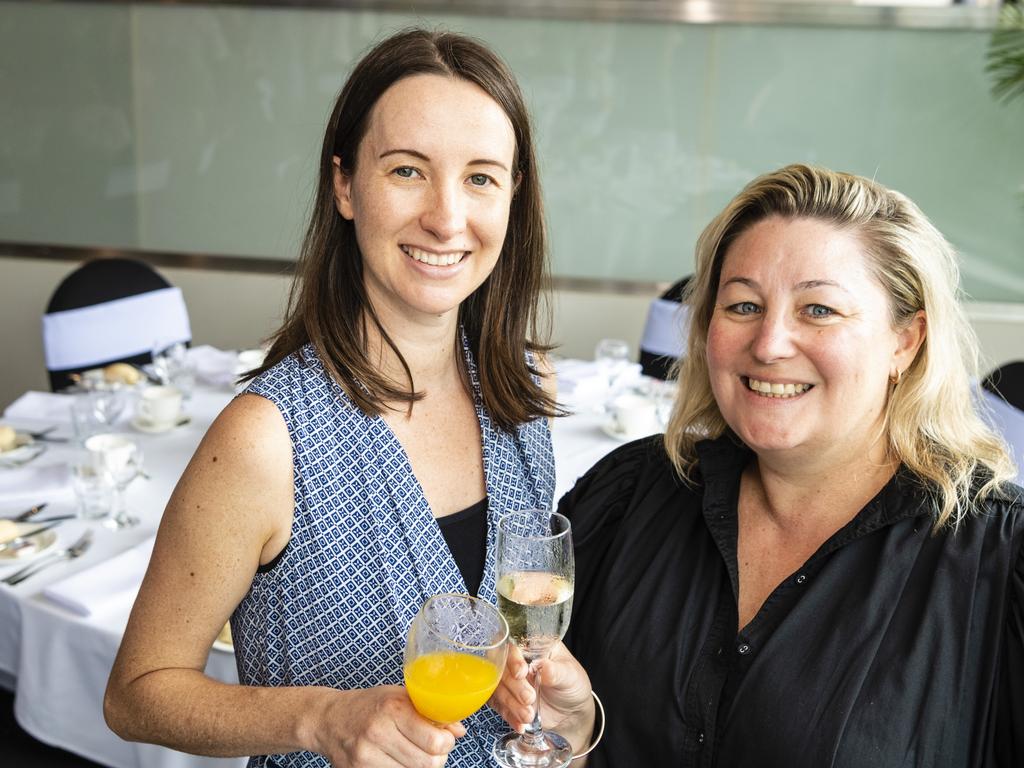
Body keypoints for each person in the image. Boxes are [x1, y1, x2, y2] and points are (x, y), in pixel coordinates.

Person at [104, 28, 572, 768]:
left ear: (514, 197)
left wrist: (526, 685)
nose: (447, 218)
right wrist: (321, 718)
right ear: (346, 185)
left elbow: (515, 645)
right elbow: (136, 694)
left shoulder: (523, 395)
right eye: (408, 171)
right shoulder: (268, 437)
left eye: (481, 177)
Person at [492, 164, 1024, 766]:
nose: (769, 344)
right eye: (743, 304)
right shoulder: (628, 497)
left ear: (905, 341)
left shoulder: (996, 564)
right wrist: (576, 736)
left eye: (819, 310)